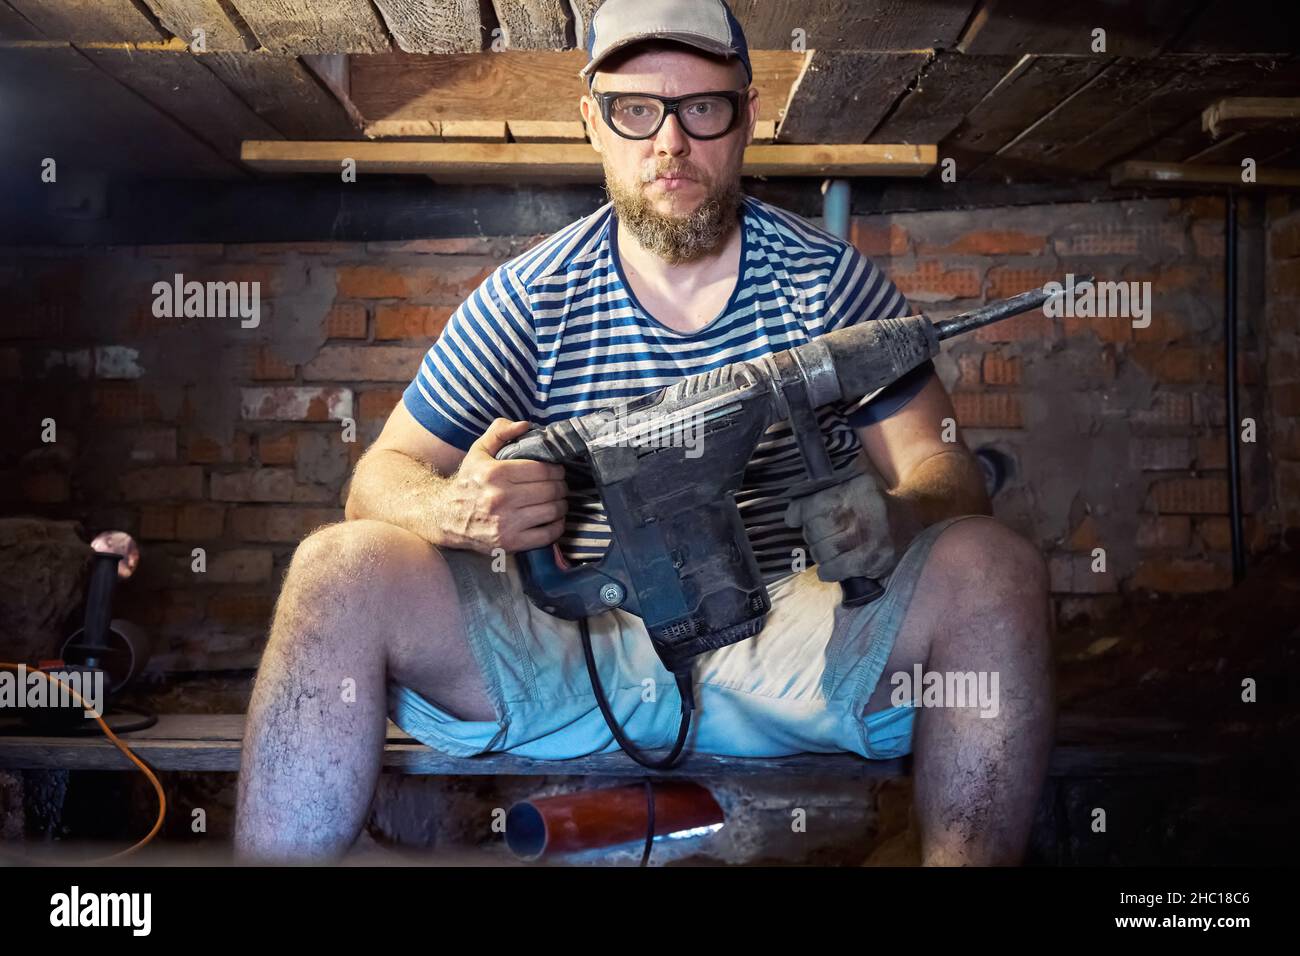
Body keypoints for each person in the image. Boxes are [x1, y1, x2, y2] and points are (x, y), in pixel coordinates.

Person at [235, 0, 1052, 865]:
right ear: (593, 121)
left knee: (994, 566)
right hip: (579, 652)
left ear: (746, 118)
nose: (671, 143)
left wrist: (897, 518)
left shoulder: (829, 287)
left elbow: (944, 470)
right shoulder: (529, 299)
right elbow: (378, 478)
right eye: (637, 110)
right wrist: (458, 510)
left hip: (792, 647)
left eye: (703, 108)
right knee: (337, 565)